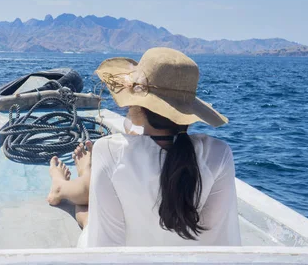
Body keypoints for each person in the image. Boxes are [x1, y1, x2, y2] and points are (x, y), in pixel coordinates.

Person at [46, 47, 241, 247]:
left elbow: (104, 247)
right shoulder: (219, 154)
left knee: (89, 214)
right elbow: (223, 241)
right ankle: (84, 186)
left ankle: (68, 184)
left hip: (124, 252)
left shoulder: (110, 151)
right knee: (91, 211)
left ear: (137, 105)